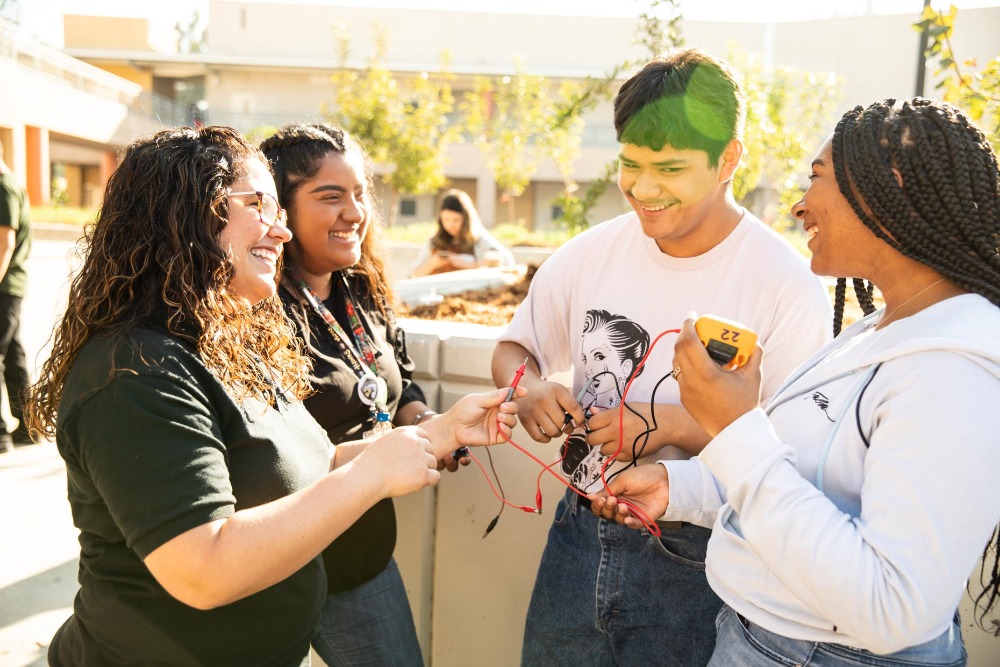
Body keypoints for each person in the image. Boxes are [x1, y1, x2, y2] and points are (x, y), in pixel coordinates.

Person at [25, 125, 522, 667]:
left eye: (277, 210)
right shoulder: (135, 372)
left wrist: (439, 432)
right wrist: (369, 477)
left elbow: (317, 460)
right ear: (185, 213)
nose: (281, 231)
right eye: (259, 205)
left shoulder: (230, 337)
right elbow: (202, 570)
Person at [591, 98, 1000, 666]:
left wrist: (733, 425)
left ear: (890, 187)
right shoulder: (881, 329)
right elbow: (809, 480)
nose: (798, 204)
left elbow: (895, 610)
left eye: (817, 177)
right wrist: (679, 488)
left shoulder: (954, 368)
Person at [491, 48, 832, 666]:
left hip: (701, 556)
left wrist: (666, 425)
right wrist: (530, 388)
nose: (643, 190)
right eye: (631, 165)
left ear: (728, 159)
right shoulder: (589, 253)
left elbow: (793, 449)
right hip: (576, 535)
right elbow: (517, 348)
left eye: (670, 169)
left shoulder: (786, 284)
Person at [262, 122, 466, 665]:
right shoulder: (253, 310)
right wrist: (409, 444)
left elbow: (398, 383)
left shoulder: (362, 289)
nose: (354, 212)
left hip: (361, 563)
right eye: (331, 196)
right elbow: (272, 453)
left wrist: (424, 423)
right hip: (274, 571)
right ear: (279, 210)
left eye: (359, 193)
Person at [0, 138, 32, 453]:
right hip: (11, 285)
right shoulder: (11, 185)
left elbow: (5, 242)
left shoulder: (3, 187)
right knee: (12, 354)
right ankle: (27, 427)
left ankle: (1, 434)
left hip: (4, 285)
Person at [411, 188, 514, 276]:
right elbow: (414, 274)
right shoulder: (434, 242)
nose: (450, 225)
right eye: (446, 220)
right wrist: (432, 264)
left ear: (466, 219)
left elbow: (506, 261)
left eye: (455, 220)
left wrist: (472, 264)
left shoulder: (478, 239)